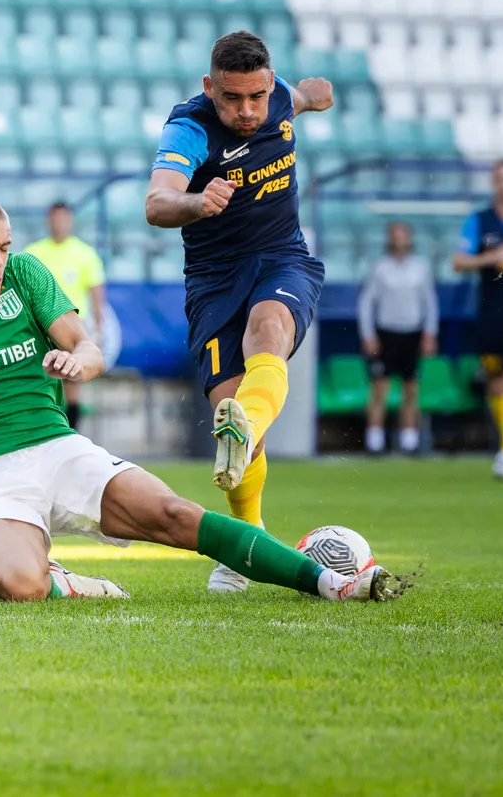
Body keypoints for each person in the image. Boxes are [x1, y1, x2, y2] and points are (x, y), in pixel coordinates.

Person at [0, 193, 406, 605]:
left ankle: (330, 581)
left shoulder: (28, 275)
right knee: (19, 587)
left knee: (176, 515)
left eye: (4, 246)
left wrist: (80, 360)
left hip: (58, 447)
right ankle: (67, 580)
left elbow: (89, 346)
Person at [145, 30, 333, 593]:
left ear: (268, 84)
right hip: (213, 282)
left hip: (281, 259)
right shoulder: (190, 126)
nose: (247, 110)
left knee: (268, 328)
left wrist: (313, 94)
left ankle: (243, 433)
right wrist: (197, 202)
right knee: (230, 404)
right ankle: (246, 543)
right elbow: (157, 202)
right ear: (210, 87)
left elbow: (300, 95)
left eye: (256, 96)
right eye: (232, 99)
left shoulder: (277, 95)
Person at [452, 158, 503, 481]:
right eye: (501, 179)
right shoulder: (480, 220)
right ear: (494, 182)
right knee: (495, 384)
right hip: (491, 312)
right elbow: (459, 261)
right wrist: (492, 258)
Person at [24, 201, 108, 432]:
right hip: (38, 329)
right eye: (54, 218)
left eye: (62, 218)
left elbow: (96, 295)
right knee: (41, 379)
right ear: (48, 221)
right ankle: (40, 431)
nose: (58, 223)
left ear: (70, 221)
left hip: (71, 327)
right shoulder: (33, 253)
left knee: (71, 378)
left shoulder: (85, 254)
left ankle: (71, 433)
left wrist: (99, 329)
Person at [358, 221, 439, 455]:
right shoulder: (380, 267)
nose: (398, 240)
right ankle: (374, 441)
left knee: (411, 388)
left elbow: (429, 302)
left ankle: (409, 441)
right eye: (394, 235)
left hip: (412, 332)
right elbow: (366, 302)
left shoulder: (420, 268)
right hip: (386, 333)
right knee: (379, 387)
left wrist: (430, 332)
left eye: (402, 235)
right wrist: (369, 334)